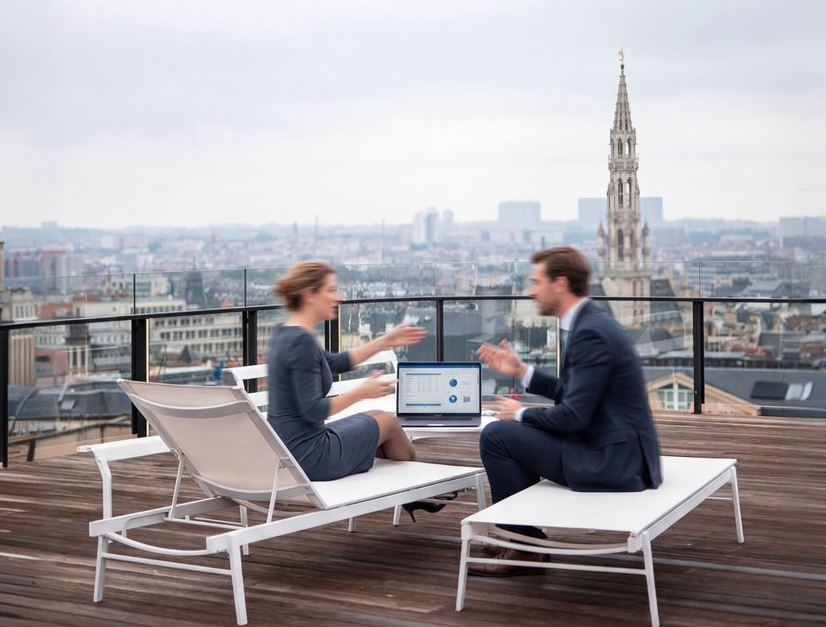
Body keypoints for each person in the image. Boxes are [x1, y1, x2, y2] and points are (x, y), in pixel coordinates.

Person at [471, 245, 663, 576]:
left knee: (497, 436)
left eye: (537, 282)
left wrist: (520, 413)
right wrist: (522, 371)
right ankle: (526, 541)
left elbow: (573, 416)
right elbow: (578, 396)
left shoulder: (589, 333)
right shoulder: (594, 320)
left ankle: (525, 548)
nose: (531, 291)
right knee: (513, 434)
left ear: (560, 283)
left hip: (612, 460)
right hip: (616, 448)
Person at [268, 261, 442, 512]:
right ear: (309, 295)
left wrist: (384, 341)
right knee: (389, 422)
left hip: (290, 450)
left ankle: (411, 493)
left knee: (377, 416)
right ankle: (418, 492)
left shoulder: (286, 335)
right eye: (331, 290)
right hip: (311, 457)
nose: (338, 297)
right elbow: (313, 410)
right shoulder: (300, 342)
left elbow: (335, 362)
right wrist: (361, 392)